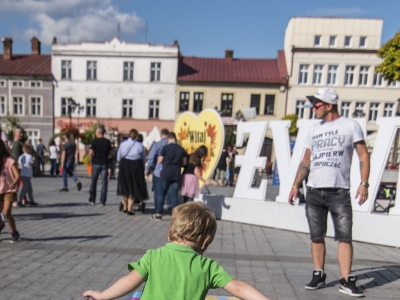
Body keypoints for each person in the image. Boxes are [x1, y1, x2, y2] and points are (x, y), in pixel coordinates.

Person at [83, 201, 271, 300]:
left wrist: (103, 295)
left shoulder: (154, 256)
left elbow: (130, 281)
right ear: (205, 242)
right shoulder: (207, 266)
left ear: (169, 234)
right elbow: (237, 287)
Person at [288, 87, 370, 297]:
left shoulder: (350, 125)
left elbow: (363, 156)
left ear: (329, 105)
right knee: (316, 236)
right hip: (314, 190)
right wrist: (296, 185)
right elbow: (306, 161)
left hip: (339, 191)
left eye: (316, 104)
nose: (312, 108)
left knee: (344, 236)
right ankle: (319, 274)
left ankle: (345, 280)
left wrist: (364, 183)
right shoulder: (314, 129)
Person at [152, 132, 187, 221]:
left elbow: (160, 161)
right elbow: (184, 163)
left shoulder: (165, 148)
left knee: (161, 194)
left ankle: (158, 214)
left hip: (165, 174)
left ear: (168, 139)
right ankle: (175, 216)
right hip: (176, 174)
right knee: (174, 195)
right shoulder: (182, 149)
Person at [116, 129, 148, 215]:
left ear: (129, 135)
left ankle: (125, 206)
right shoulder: (139, 145)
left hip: (124, 165)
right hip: (135, 166)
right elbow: (143, 158)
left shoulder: (123, 144)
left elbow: (118, 157)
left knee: (125, 185)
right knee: (133, 187)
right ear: (137, 136)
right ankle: (130, 208)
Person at [0, 139, 21, 242]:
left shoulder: (9, 160)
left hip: (9, 190)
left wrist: (14, 183)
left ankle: (14, 232)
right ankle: (1, 225)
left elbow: (17, 175)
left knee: (7, 212)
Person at [145, 128, 170, 213]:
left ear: (161, 135)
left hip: (158, 171)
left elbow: (151, 158)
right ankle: (169, 206)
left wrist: (148, 169)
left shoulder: (157, 144)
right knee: (168, 190)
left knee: (158, 191)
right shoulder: (171, 145)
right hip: (169, 171)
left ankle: (158, 210)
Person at [88, 127, 112, 206]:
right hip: (104, 163)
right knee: (104, 183)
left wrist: (91, 161)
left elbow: (91, 153)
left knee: (93, 182)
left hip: (96, 163)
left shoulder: (94, 141)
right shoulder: (107, 142)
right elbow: (110, 153)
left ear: (98, 132)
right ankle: (102, 201)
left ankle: (92, 199)